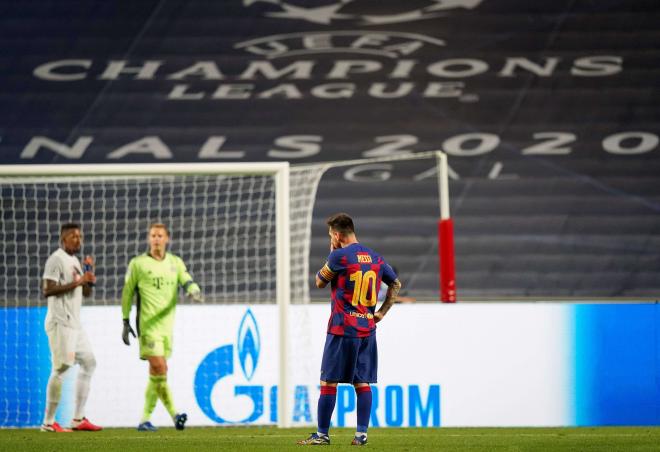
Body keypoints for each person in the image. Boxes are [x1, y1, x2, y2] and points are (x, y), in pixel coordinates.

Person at [298, 213, 401, 446]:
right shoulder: (375, 257)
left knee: (329, 382)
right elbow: (395, 283)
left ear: (336, 235)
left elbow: (319, 281)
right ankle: (361, 434)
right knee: (361, 382)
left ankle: (322, 435)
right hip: (367, 328)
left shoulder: (339, 256)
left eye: (330, 235)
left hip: (342, 328)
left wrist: (332, 251)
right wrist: (382, 312)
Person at [121, 223, 203, 432]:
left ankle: (145, 420)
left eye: (160, 235)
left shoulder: (175, 262)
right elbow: (127, 293)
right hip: (147, 326)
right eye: (153, 235)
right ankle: (175, 414)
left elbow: (186, 279)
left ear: (167, 238)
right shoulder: (138, 264)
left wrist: (194, 290)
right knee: (159, 367)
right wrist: (125, 320)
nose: (156, 239)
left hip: (167, 327)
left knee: (159, 372)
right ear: (149, 239)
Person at [41, 223, 102, 433]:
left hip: (75, 324)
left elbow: (85, 294)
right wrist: (78, 283)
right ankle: (48, 423)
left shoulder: (75, 261)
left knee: (89, 362)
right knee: (61, 368)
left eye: (80, 236)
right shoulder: (56, 259)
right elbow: (47, 290)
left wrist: (88, 278)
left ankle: (78, 419)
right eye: (74, 236)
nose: (78, 240)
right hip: (60, 322)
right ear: (63, 238)